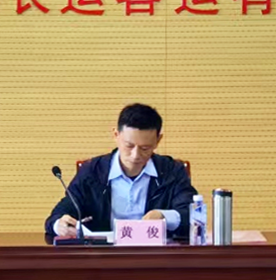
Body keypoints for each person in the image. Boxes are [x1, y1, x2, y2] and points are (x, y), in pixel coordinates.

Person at [46, 103, 197, 240]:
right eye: (129, 146)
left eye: (145, 148)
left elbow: (191, 214)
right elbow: (59, 214)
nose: (136, 155)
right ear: (116, 135)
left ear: (158, 140)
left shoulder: (172, 171)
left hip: (156, 255)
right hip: (102, 255)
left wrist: (163, 216)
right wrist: (59, 224)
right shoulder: (92, 171)